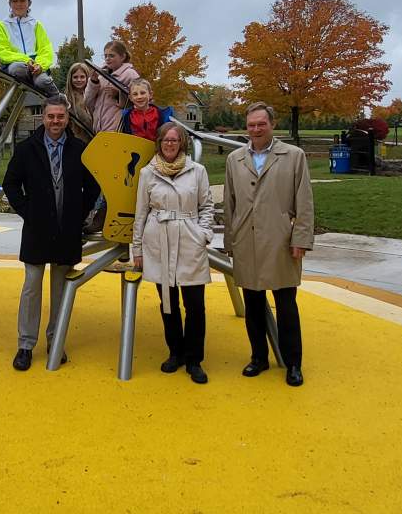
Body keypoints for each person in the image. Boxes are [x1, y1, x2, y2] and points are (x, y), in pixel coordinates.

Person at [3, 97, 100, 370]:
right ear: (42, 118)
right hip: (36, 229)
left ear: (67, 118)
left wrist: (79, 214)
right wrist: (27, 211)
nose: (55, 121)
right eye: (51, 116)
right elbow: (10, 184)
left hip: (67, 231)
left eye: (60, 116)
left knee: (61, 290)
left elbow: (93, 187)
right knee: (31, 287)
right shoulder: (26, 149)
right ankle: (25, 344)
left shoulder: (79, 149)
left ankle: (56, 340)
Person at [223, 102, 315, 387]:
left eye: (261, 124)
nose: (256, 129)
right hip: (246, 240)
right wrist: (230, 240)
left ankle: (293, 363)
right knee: (253, 303)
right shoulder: (235, 159)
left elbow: (305, 202)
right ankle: (258, 357)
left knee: (286, 304)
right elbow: (230, 204)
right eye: (251, 125)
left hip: (280, 240)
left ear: (272, 124)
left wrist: (300, 239)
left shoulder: (293, 156)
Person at [131, 122, 215, 384]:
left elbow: (207, 206)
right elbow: (141, 212)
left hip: (190, 239)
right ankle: (175, 352)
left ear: (182, 143)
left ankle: (194, 359)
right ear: (159, 142)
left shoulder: (197, 171)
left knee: (195, 305)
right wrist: (137, 248)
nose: (170, 144)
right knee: (168, 303)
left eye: (174, 140)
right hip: (159, 240)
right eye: (166, 140)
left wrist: (204, 234)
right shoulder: (148, 172)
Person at [0, 0, 59, 98]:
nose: (19, 4)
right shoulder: (2, 26)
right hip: (16, 64)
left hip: (36, 65)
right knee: (18, 69)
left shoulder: (36, 25)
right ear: (10, 4)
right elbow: (2, 52)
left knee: (43, 81)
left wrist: (40, 65)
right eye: (15, 1)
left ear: (29, 3)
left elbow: (45, 49)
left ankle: (59, 98)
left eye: (22, 0)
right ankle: (30, 85)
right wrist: (26, 60)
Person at [85, 40, 140, 133]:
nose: (107, 59)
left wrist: (119, 94)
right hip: (98, 129)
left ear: (122, 56)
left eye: (111, 55)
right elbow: (87, 101)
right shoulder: (101, 75)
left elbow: (140, 101)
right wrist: (94, 81)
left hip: (118, 130)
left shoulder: (130, 75)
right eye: (105, 56)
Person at [63, 62, 95, 142]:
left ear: (88, 77)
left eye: (82, 77)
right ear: (70, 79)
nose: (79, 80)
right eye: (75, 77)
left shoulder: (94, 95)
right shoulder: (67, 99)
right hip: (76, 140)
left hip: (96, 138)